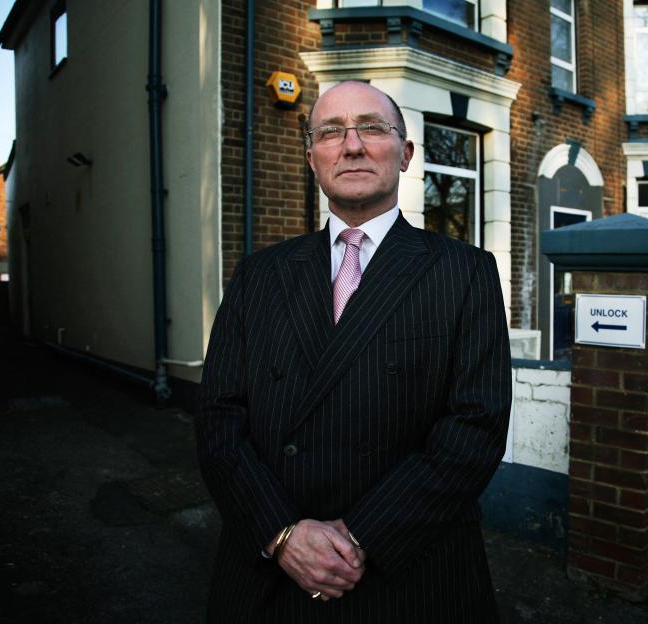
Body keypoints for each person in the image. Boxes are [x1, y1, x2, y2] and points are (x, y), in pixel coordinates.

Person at [196, 80, 511, 622]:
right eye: (331, 132)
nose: (353, 144)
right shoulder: (259, 275)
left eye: (371, 127)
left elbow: (475, 426)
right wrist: (282, 533)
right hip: (271, 575)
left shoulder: (464, 271)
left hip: (410, 575)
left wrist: (363, 535)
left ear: (405, 153)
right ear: (312, 157)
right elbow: (218, 416)